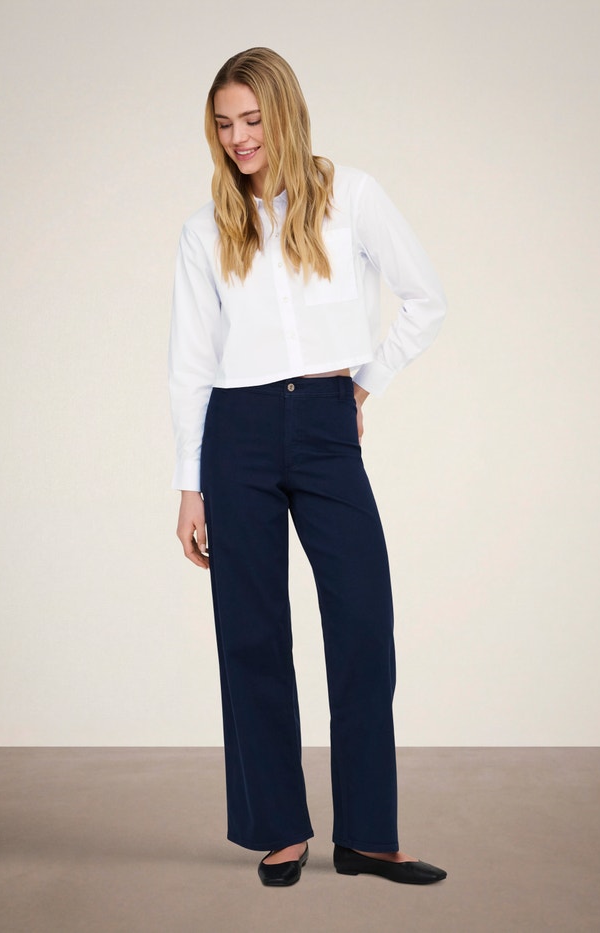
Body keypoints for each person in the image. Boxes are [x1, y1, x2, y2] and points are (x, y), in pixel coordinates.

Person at [168, 47, 448, 887]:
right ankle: (280, 828)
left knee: (362, 623)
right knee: (252, 633)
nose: (239, 137)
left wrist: (363, 384)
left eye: (252, 119)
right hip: (237, 434)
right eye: (225, 123)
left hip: (326, 426)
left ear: (284, 114)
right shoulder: (205, 230)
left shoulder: (350, 196)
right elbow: (191, 362)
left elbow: (426, 298)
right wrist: (189, 483)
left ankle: (367, 835)